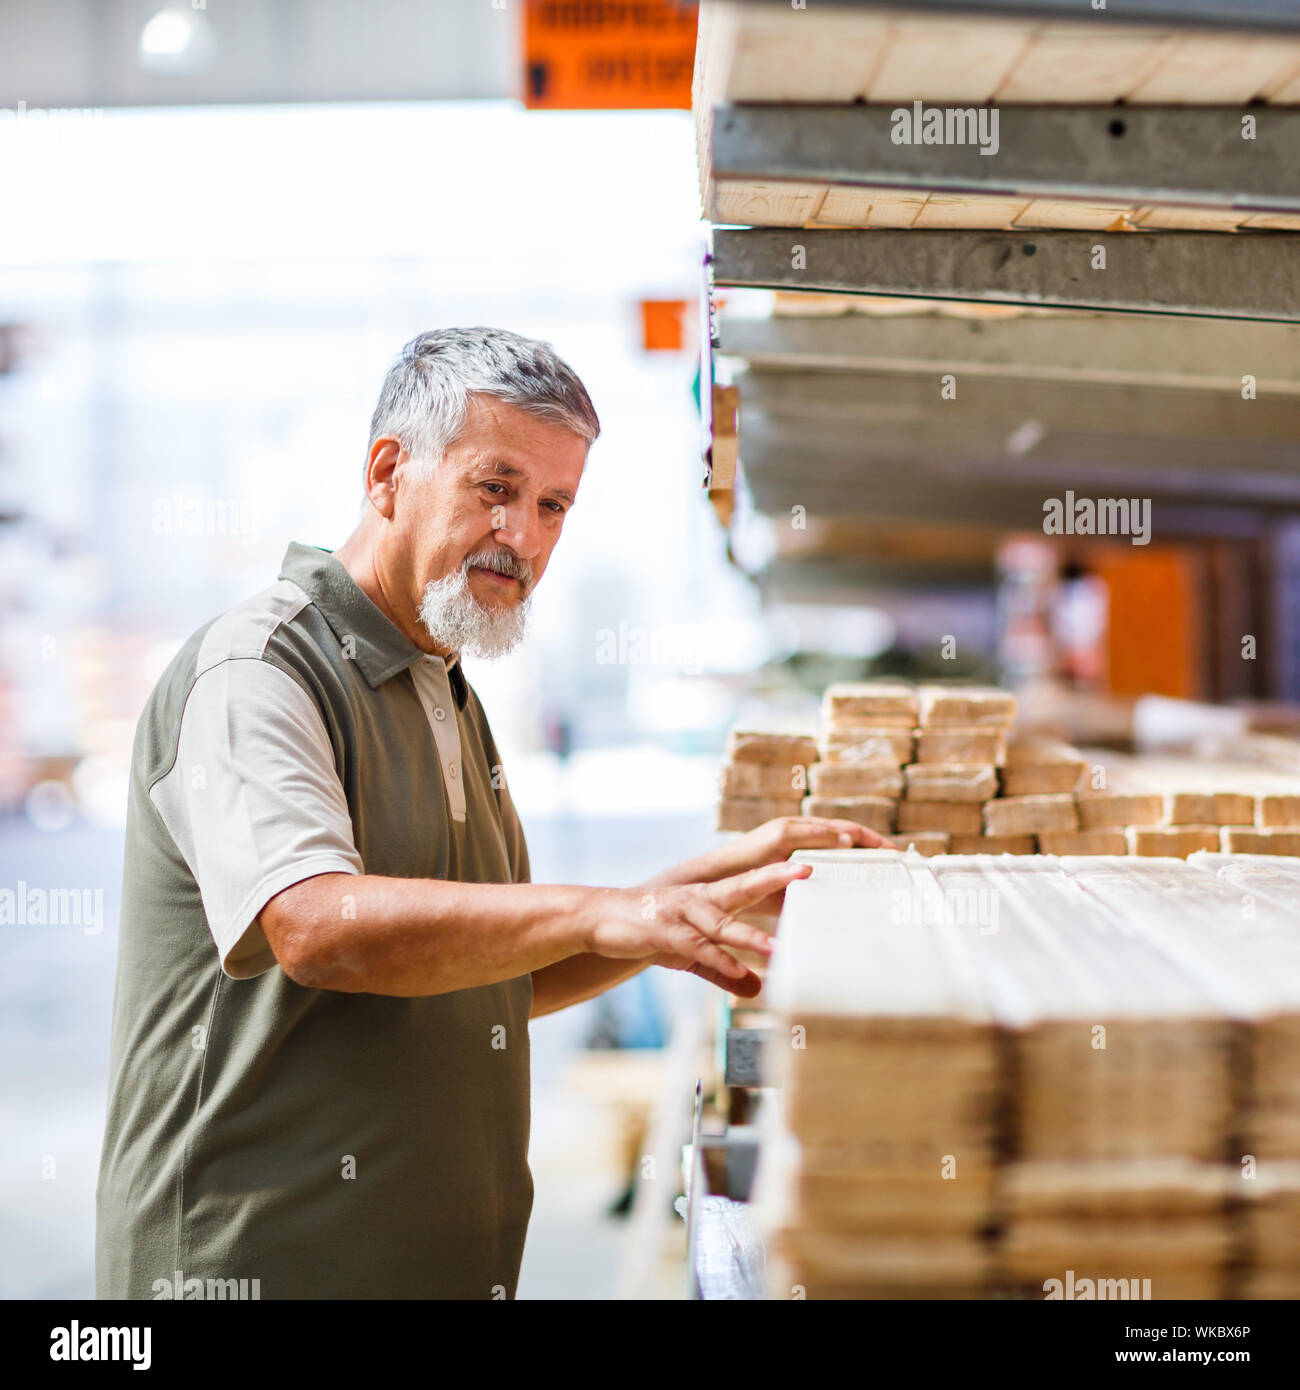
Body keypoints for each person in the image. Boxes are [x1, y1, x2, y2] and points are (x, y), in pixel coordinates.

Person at [95, 327, 887, 1300]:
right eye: (495, 487)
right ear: (388, 473)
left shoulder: (446, 684)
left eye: (555, 504)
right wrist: (609, 912)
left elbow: (489, 969)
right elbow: (314, 928)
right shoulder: (260, 670)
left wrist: (694, 897)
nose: (527, 535)